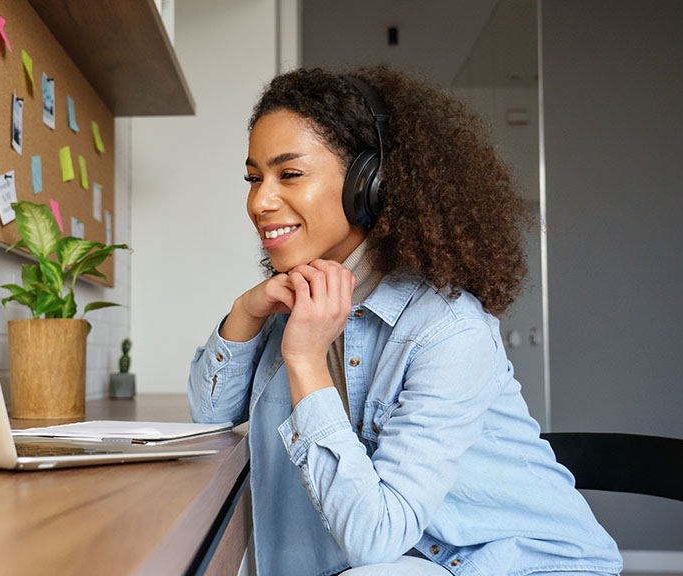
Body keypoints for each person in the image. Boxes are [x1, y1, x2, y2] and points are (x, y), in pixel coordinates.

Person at [187, 67, 622, 576]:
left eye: (290, 174)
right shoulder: (300, 302)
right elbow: (210, 418)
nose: (260, 201)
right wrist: (244, 313)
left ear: (368, 183)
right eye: (254, 178)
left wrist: (305, 360)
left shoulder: (447, 330)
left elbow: (375, 539)